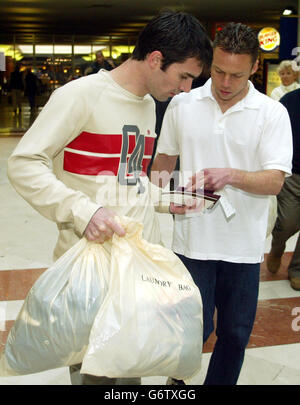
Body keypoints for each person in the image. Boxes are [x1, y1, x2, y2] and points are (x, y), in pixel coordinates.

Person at [7, 11, 212, 385]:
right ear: (155, 58)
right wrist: (84, 211)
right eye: (183, 76)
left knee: (130, 376)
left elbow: (128, 179)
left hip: (135, 273)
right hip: (92, 276)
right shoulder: (81, 96)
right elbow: (24, 163)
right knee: (96, 378)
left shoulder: (149, 103)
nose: (185, 89)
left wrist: (168, 198)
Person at [150, 22, 293, 385]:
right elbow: (163, 165)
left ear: (255, 69)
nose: (225, 83)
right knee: (192, 328)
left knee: (235, 332)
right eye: (218, 71)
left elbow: (275, 180)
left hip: (243, 246)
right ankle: (177, 382)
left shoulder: (271, 113)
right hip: (192, 241)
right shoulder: (183, 104)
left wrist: (232, 176)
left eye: (236, 75)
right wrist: (163, 200)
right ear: (209, 62)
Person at [267, 88, 300, 290]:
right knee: (287, 222)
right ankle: (277, 248)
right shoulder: (290, 100)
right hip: (292, 174)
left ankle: (297, 269)